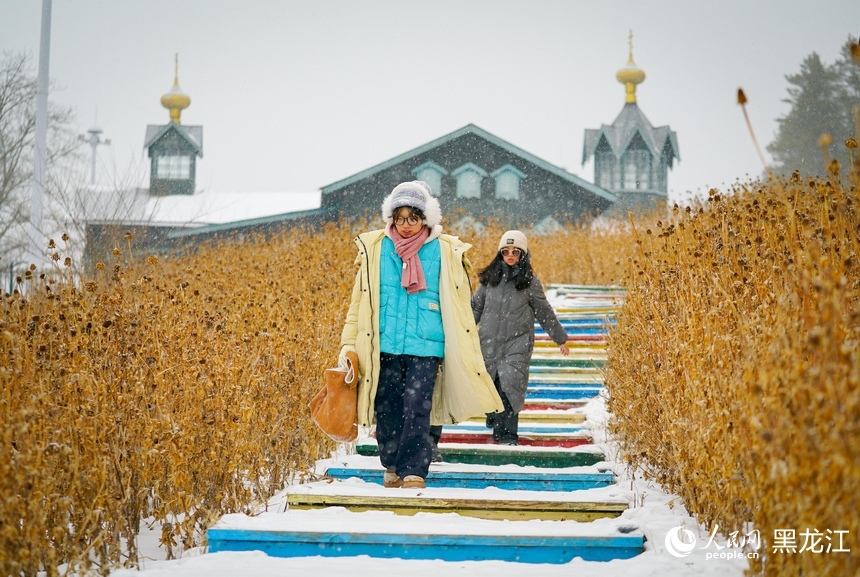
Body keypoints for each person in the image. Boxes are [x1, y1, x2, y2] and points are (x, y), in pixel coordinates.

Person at [339, 181, 503, 489]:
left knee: (417, 407)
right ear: (391, 218)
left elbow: (457, 304)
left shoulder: (444, 251)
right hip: (384, 345)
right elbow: (358, 304)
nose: (405, 225)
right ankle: (391, 462)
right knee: (386, 409)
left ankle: (414, 469)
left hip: (426, 346)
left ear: (424, 218)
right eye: (399, 218)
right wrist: (348, 346)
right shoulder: (375, 250)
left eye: (412, 218)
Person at [471, 230, 570, 445]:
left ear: (522, 255)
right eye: (506, 251)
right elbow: (475, 308)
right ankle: (494, 417)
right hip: (488, 343)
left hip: (517, 343)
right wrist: (461, 332)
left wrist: (560, 338)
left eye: (515, 251)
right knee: (492, 384)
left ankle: (507, 435)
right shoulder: (489, 281)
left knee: (510, 386)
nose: (510, 255)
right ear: (500, 254)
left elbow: (543, 311)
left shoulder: (529, 283)